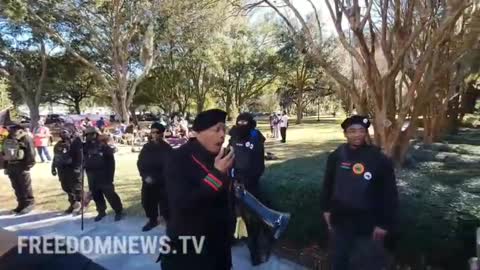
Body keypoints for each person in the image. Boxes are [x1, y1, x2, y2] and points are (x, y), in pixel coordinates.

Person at [321, 115, 398, 270]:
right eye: (352, 131)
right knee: (339, 261)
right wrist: (326, 209)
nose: (357, 134)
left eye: (361, 131)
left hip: (368, 223)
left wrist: (383, 224)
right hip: (341, 220)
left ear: (365, 133)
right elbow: (328, 184)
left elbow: (389, 194)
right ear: (345, 134)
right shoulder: (336, 156)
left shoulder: (378, 159)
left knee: (366, 263)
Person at [161, 109, 235, 270]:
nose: (222, 135)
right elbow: (183, 204)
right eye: (217, 129)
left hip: (219, 245)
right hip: (189, 247)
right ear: (198, 133)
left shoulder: (220, 156)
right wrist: (216, 175)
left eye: (224, 129)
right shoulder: (178, 159)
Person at [229, 112, 271, 265]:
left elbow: (259, 166)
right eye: (239, 122)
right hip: (233, 182)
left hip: (250, 185)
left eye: (244, 122)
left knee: (252, 219)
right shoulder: (233, 136)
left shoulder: (256, 137)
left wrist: (247, 181)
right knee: (232, 213)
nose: (241, 125)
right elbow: (230, 157)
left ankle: (255, 253)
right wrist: (232, 178)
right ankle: (233, 239)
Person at [137, 122, 172, 231]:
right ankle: (153, 220)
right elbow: (140, 163)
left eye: (156, 132)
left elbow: (170, 166)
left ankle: (168, 220)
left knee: (165, 203)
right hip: (148, 180)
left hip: (162, 181)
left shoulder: (167, 149)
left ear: (161, 134)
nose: (154, 135)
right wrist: (145, 176)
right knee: (147, 201)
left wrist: (162, 178)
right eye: (152, 132)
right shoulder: (146, 147)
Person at [83, 126, 124, 222]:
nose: (88, 137)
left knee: (110, 194)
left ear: (94, 134)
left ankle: (118, 211)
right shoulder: (85, 147)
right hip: (91, 175)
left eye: (89, 135)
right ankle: (101, 211)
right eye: (86, 135)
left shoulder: (103, 146)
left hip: (104, 175)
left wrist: (110, 176)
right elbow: (82, 158)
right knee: (96, 195)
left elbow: (111, 162)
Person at [2, 124, 36, 214]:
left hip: (22, 166)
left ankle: (29, 204)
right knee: (16, 186)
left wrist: (28, 165)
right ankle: (21, 204)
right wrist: (5, 166)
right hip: (11, 166)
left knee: (25, 186)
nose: (8, 129)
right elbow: (4, 152)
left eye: (9, 127)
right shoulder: (8, 137)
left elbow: (31, 152)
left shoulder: (25, 138)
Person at [51, 124, 84, 214]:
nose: (63, 134)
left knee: (77, 188)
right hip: (62, 170)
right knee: (66, 188)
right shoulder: (58, 145)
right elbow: (56, 157)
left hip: (73, 169)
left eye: (65, 132)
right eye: (61, 132)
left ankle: (81, 204)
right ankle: (73, 204)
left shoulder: (76, 142)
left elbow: (80, 156)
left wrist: (77, 168)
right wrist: (53, 167)